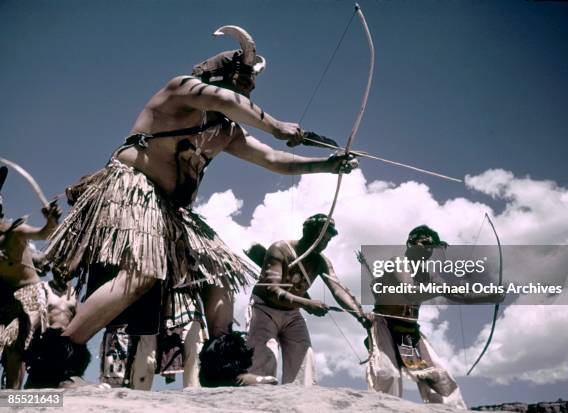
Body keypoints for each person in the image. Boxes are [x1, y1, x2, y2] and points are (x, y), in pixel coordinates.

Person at [41, 25, 357, 387]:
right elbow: (228, 103)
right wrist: (275, 125)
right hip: (132, 191)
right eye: (244, 83)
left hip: (173, 212)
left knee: (216, 270)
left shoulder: (226, 130)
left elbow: (272, 159)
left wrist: (326, 165)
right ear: (221, 77)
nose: (248, 91)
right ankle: (56, 360)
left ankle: (221, 368)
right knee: (143, 272)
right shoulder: (180, 89)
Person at [363, 225, 503, 408]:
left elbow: (457, 295)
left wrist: (489, 296)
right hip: (385, 325)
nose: (429, 249)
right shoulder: (397, 262)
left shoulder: (428, 274)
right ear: (411, 243)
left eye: (433, 246)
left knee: (440, 379)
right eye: (426, 243)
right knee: (387, 375)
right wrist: (444, 287)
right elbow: (410, 292)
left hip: (409, 332)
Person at [245, 214, 370, 386]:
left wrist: (360, 315)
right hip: (264, 309)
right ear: (307, 231)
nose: (324, 243)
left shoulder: (321, 262)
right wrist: (307, 304)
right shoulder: (280, 249)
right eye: (321, 237)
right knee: (265, 358)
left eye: (327, 240)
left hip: (292, 313)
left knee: (304, 363)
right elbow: (271, 289)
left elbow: (338, 289)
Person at [0, 166, 62, 389]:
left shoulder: (14, 232)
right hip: (4, 296)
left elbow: (43, 233)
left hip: (28, 296)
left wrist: (51, 221)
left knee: (15, 342)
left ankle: (13, 395)